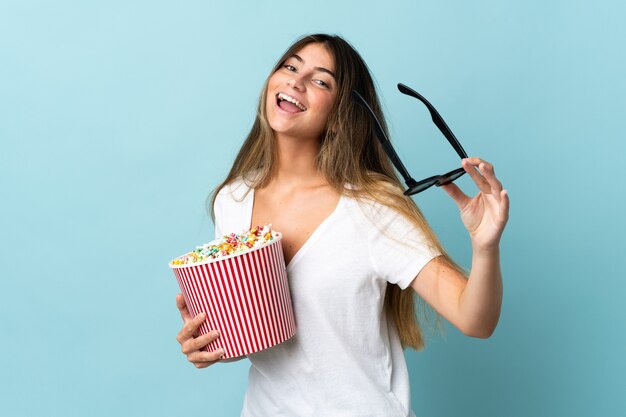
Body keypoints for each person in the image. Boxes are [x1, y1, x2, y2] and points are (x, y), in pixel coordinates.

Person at [175, 33, 509, 416]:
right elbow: (259, 337)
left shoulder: (372, 209)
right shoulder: (232, 201)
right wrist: (209, 345)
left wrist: (486, 247)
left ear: (339, 117)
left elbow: (476, 320)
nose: (295, 81)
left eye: (320, 81)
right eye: (290, 66)